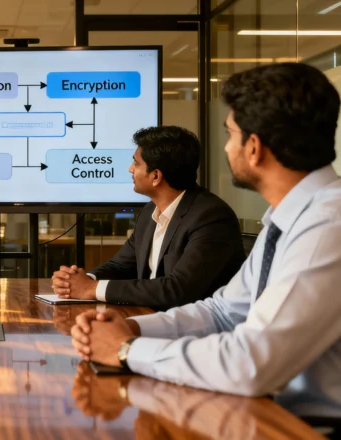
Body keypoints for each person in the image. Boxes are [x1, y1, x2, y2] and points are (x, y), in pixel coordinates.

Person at [71, 63, 341, 426]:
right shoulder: (289, 218)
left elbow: (251, 364)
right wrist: (132, 328)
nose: (226, 146)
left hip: (308, 427)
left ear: (254, 148)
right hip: (268, 414)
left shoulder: (328, 225)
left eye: (230, 134)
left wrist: (126, 350)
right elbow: (222, 312)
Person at [52, 126, 245, 310]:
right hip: (151, 316)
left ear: (156, 176)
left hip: (195, 326)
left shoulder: (211, 217)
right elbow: (120, 266)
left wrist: (91, 289)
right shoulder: (149, 211)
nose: (130, 169)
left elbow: (177, 290)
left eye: (136, 163)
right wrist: (81, 280)